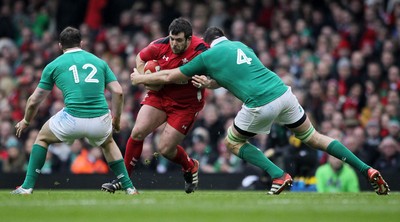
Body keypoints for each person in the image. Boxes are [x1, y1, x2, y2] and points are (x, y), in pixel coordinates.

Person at [130, 26, 390, 195]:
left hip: (259, 102)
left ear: (208, 43)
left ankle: (278, 175)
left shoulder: (207, 55)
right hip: (284, 93)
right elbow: (237, 75)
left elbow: (171, 77)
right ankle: (366, 169)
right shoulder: (242, 46)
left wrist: (140, 79)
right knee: (314, 137)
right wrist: (211, 82)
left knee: (232, 142)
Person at [11, 26, 137, 195]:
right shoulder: (99, 62)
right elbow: (118, 91)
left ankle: (26, 187)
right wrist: (116, 118)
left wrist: (26, 120)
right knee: (108, 143)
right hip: (100, 119)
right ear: (82, 43)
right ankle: (129, 187)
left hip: (72, 119)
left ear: (59, 45)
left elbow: (34, 100)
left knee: (41, 138)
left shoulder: (53, 65)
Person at [101, 18, 208, 194]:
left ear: (189, 39)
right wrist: (147, 78)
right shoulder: (160, 44)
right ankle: (124, 180)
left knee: (165, 149)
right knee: (137, 132)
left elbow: (173, 76)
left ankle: (190, 166)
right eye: (172, 38)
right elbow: (140, 58)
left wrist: (143, 79)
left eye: (179, 40)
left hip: (185, 105)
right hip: (160, 95)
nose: (174, 43)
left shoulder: (200, 50)